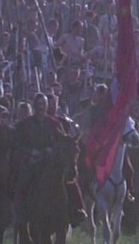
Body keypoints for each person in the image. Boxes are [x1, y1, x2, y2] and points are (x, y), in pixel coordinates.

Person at [12, 93, 87, 227]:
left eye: (43, 104)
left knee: (69, 180)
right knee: (23, 179)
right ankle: (20, 212)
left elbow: (63, 140)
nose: (41, 107)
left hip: (51, 160)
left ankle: (77, 209)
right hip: (33, 160)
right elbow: (18, 142)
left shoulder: (54, 123)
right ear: (34, 106)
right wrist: (31, 151)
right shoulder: (26, 124)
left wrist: (51, 149)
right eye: (38, 104)